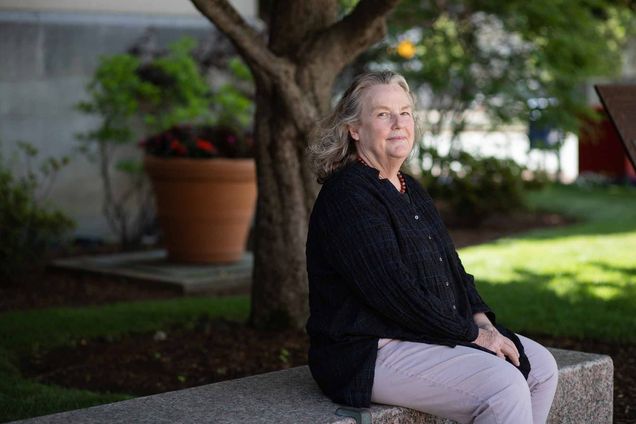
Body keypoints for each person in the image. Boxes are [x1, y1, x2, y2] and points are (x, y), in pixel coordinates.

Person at [305, 70, 558, 424]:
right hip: (367, 350)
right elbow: (394, 293)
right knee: (503, 386)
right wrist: (472, 336)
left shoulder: (410, 188)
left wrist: (483, 323)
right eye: (382, 114)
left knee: (542, 367)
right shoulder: (348, 195)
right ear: (354, 129)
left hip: (421, 334)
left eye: (405, 112)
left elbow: (452, 270)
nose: (398, 123)